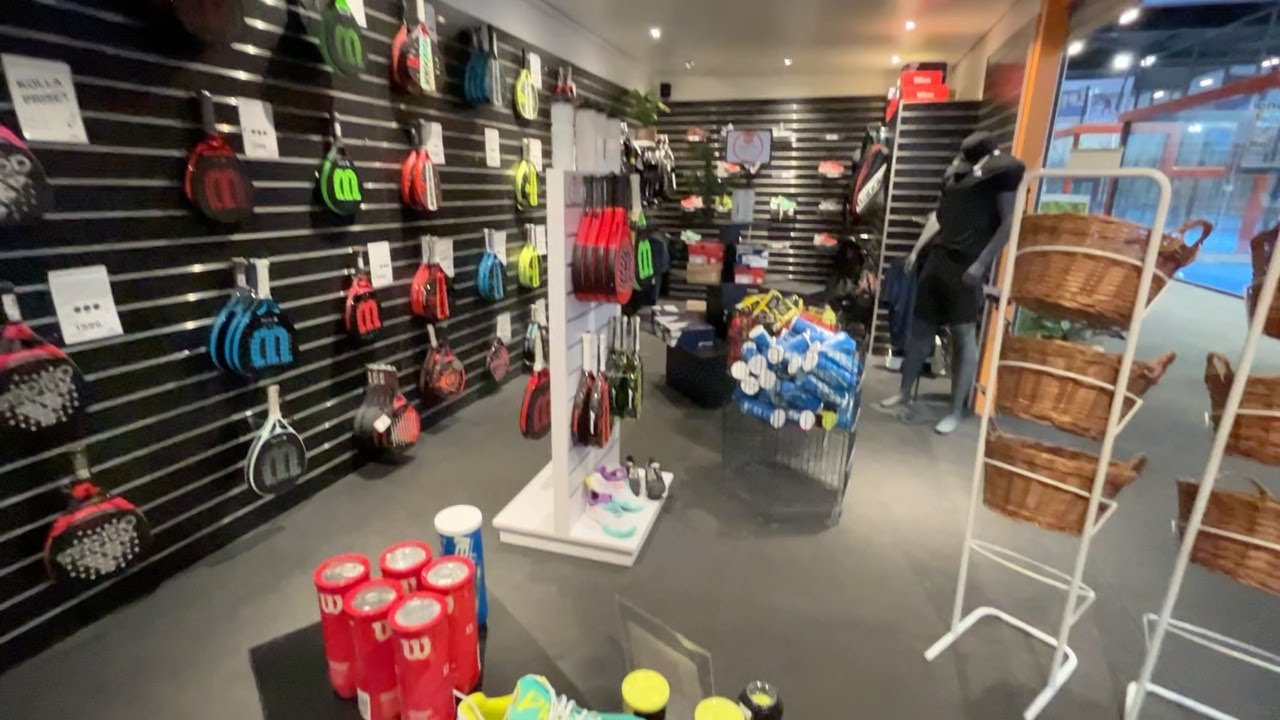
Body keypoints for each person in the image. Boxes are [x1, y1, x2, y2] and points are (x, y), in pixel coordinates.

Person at [877, 131, 1025, 434]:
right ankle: (905, 392)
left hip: (966, 265)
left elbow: (1010, 222)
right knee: (919, 330)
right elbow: (939, 217)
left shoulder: (1001, 174)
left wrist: (981, 263)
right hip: (938, 259)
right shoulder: (956, 176)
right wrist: (916, 250)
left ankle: (956, 411)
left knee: (963, 337)